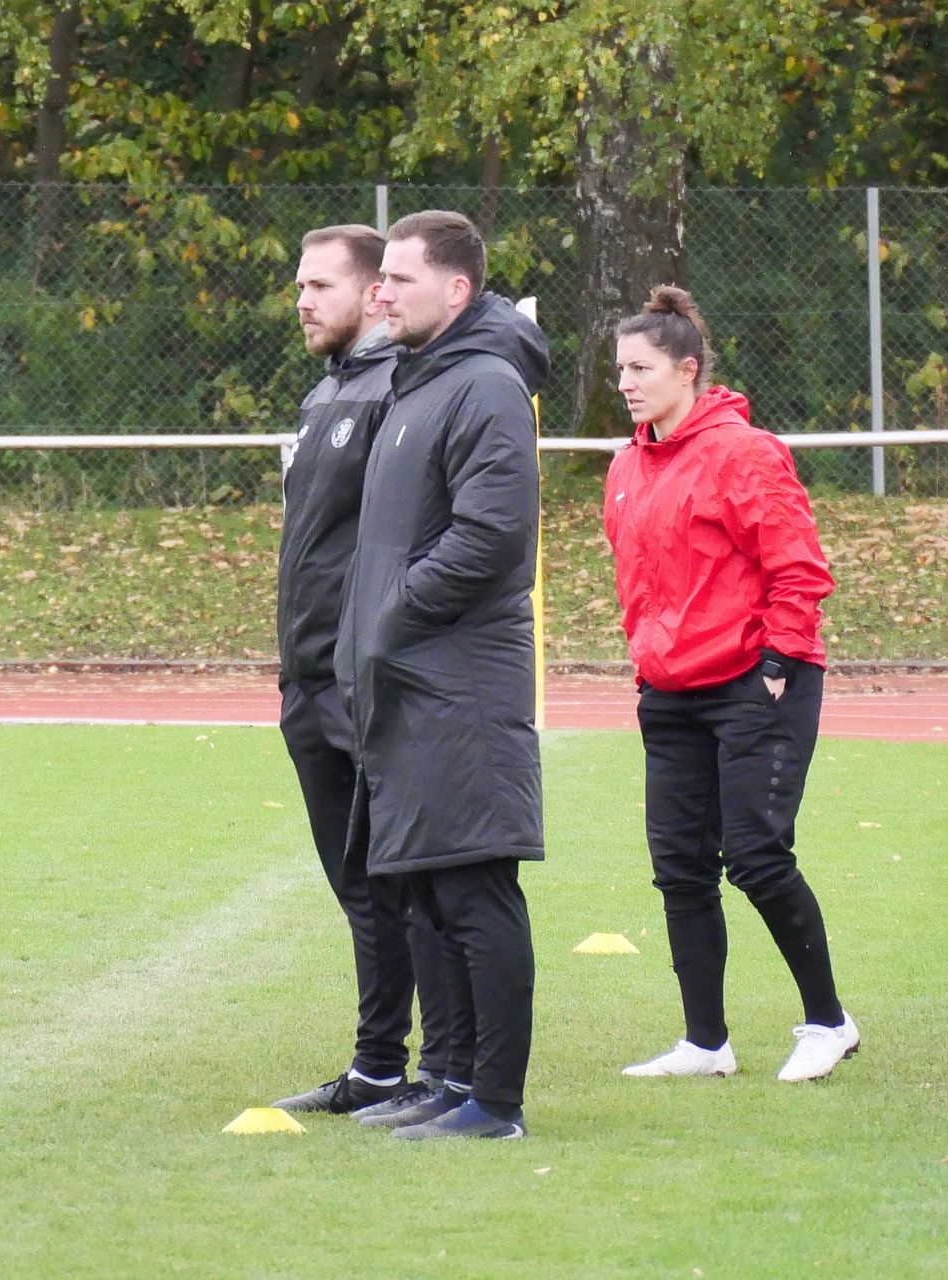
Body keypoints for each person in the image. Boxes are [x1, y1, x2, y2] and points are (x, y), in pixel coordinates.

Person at [603, 285, 857, 1083]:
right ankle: (705, 1043)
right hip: (669, 692)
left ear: (687, 371)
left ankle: (829, 1023)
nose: (626, 383)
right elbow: (641, 581)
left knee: (756, 856)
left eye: (641, 369)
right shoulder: (626, 465)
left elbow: (799, 567)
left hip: (756, 682)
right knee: (681, 867)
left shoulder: (743, 452)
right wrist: (649, 662)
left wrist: (779, 661)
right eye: (620, 369)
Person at [336, 210, 550, 1140]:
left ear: (457, 290)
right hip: (408, 678)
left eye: (400, 278)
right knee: (425, 889)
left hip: (459, 681)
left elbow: (490, 535)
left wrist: (394, 613)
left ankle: (495, 1103)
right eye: (380, 277)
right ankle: (450, 1079)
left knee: (473, 891)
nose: (381, 292)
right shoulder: (417, 381)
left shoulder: (486, 384)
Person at [268, 225, 456, 1118]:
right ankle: (378, 1065)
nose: (302, 302)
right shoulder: (327, 393)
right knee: (359, 889)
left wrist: (372, 648)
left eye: (320, 286)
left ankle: (445, 1070)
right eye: (299, 286)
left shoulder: (396, 390)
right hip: (308, 680)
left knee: (409, 882)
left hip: (364, 680)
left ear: (374, 291)